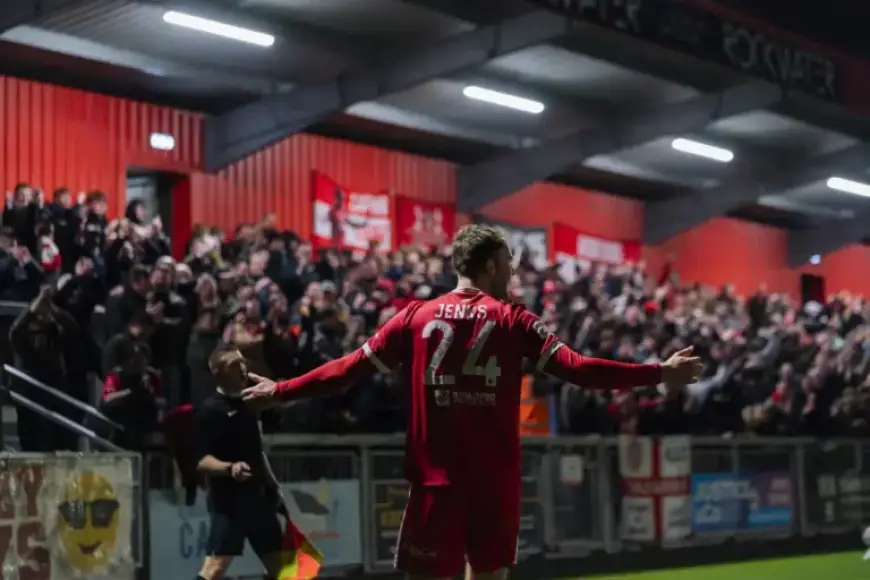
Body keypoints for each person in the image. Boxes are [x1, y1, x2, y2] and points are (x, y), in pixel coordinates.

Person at [243, 224, 703, 580]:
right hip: (493, 484)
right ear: (486, 267)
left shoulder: (415, 317)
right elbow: (580, 369)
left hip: (435, 483)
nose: (511, 274)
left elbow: (345, 370)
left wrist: (280, 390)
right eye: (506, 264)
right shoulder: (513, 319)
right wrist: (658, 372)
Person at [194, 348, 284, 580]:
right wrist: (230, 468)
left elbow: (257, 451)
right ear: (218, 372)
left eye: (243, 363)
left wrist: (272, 485)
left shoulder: (250, 404)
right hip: (229, 504)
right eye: (236, 365)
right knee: (214, 570)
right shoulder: (212, 410)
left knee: (282, 568)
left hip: (258, 499)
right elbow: (202, 460)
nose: (243, 370)